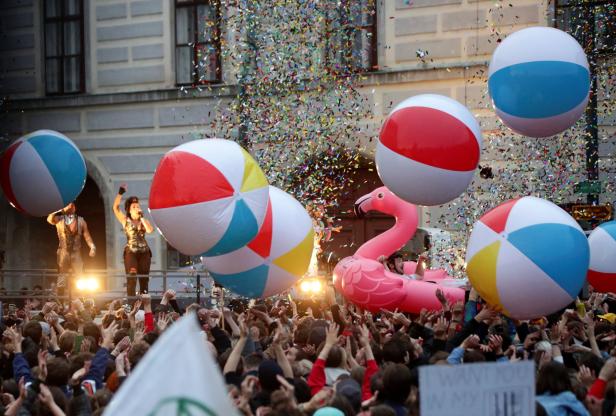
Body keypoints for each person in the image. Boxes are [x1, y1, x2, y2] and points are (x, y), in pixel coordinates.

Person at [112, 184, 154, 297]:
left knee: (144, 279)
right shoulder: (125, 220)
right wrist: (120, 193)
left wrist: (142, 218)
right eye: (134, 207)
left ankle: (144, 305)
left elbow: (150, 230)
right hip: (131, 251)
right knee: (132, 277)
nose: (137, 208)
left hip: (144, 251)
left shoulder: (144, 221)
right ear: (129, 210)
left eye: (138, 206)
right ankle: (130, 304)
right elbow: (115, 208)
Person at [47, 202, 96, 297]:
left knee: (80, 277)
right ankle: (60, 302)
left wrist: (92, 247)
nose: (70, 206)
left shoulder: (81, 221)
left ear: (75, 208)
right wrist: (59, 209)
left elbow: (87, 236)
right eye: (67, 204)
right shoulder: (59, 220)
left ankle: (83, 301)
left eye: (72, 204)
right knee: (61, 278)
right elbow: (49, 219)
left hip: (76, 253)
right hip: (63, 252)